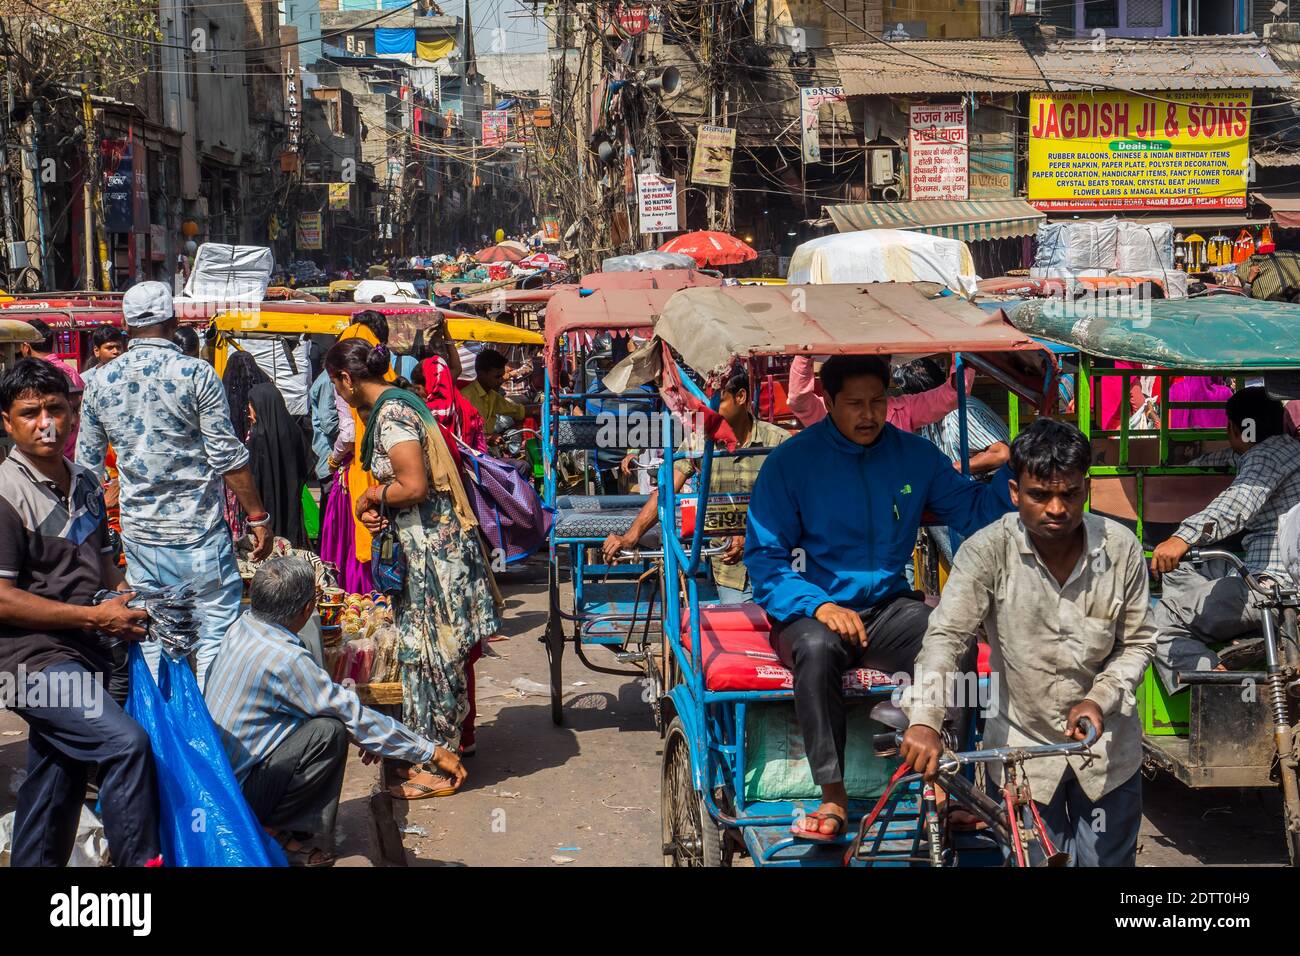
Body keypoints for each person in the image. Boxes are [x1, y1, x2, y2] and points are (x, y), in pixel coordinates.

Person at [744, 355, 1014, 841]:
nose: (868, 414)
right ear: (827, 401)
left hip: (889, 609)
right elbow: (765, 559)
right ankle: (832, 796)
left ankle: (949, 783)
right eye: (854, 404)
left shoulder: (914, 456)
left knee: (954, 643)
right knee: (819, 649)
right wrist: (817, 605)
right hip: (810, 610)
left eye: (877, 401)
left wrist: (1015, 470)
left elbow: (973, 511)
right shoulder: (790, 462)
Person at [900, 419, 1156, 866]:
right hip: (1022, 756)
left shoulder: (1121, 548)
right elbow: (946, 637)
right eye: (1040, 496)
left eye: (1070, 494)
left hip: (1108, 752)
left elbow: (1137, 644)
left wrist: (1099, 698)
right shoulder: (986, 550)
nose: (1056, 508)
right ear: (1015, 492)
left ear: (1085, 489)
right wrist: (924, 719)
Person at [0, 359, 161, 866]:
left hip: (85, 652)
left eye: (55, 408)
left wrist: (128, 599)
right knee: (125, 745)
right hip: (25, 664)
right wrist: (95, 619)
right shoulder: (5, 493)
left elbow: (105, 563)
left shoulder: (87, 481)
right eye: (30, 413)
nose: (45, 422)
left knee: (58, 778)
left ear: (74, 413)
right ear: (7, 422)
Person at [76, 281, 273, 691]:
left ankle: (161, 736)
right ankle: (216, 736)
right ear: (173, 320)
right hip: (198, 533)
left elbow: (88, 470)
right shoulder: (195, 373)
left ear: (127, 326)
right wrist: (258, 517)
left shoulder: (97, 382)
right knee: (216, 635)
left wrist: (100, 538)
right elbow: (227, 455)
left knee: (152, 636)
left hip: (141, 537)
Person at [326, 338, 501, 795]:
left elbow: (414, 484)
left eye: (335, 384)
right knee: (422, 655)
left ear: (346, 379)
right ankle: (430, 752)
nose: (336, 393)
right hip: (423, 552)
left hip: (436, 557)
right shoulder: (394, 406)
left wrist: (371, 495)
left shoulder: (392, 414)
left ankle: (442, 768)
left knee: (436, 657)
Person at [206, 557, 464, 866]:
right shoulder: (285, 659)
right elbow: (348, 714)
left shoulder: (243, 625)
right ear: (306, 610)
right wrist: (431, 752)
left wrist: (370, 737)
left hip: (219, 779)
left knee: (329, 721)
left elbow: (324, 704)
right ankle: (270, 831)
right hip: (240, 794)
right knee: (330, 732)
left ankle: (271, 825)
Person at [1150, 387, 1300, 687]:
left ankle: (1218, 688)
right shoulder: (1286, 449)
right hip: (1266, 574)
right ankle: (1215, 632)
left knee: (1159, 620)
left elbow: (1237, 505)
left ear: (1234, 427)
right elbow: (1229, 457)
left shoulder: (1263, 457)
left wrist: (1182, 538)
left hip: (1271, 586)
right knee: (1180, 570)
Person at [600, 369, 788, 603]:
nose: (709, 407)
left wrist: (750, 535)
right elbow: (666, 492)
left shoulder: (779, 443)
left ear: (741, 397)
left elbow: (794, 505)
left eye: (719, 400)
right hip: (730, 570)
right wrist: (629, 537)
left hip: (777, 564)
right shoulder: (700, 441)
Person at [785, 353, 975, 433]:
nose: (867, 414)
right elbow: (798, 399)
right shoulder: (827, 413)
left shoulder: (903, 408)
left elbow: (952, 396)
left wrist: (964, 357)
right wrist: (805, 352)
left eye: (881, 361)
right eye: (854, 403)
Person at [247, 381, 312, 548]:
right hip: (291, 504)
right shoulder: (294, 430)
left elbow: (253, 478)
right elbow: (307, 465)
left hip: (264, 509)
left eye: (251, 405)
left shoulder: (257, 436)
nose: (249, 411)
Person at [20, 317, 84, 458]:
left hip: (52, 455)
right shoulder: (70, 371)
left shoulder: (36, 376)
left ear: (25, 347)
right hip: (75, 451)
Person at [462, 348, 525, 431]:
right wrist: (488, 438)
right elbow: (464, 432)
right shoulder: (465, 397)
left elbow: (516, 410)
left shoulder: (493, 396)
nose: (501, 380)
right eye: (497, 377)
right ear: (481, 374)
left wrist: (540, 409)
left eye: (502, 376)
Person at [80, 326, 128, 392]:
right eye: (110, 348)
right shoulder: (86, 379)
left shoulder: (129, 372)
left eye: (118, 347)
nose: (116, 351)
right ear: (96, 351)